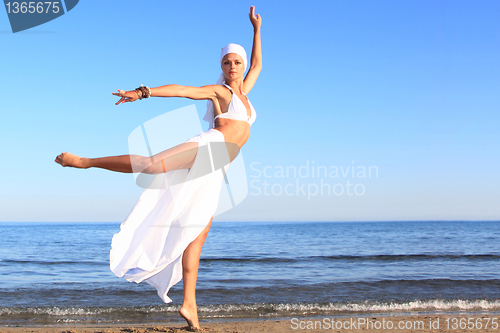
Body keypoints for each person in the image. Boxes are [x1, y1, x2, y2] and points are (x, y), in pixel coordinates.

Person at [54, 5, 262, 331]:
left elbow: (259, 63)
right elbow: (182, 90)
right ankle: (84, 162)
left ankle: (190, 305)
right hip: (209, 146)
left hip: (216, 168)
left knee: (197, 232)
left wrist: (256, 30)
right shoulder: (220, 92)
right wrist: (143, 92)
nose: (232, 67)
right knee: (151, 165)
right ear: (220, 67)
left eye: (237, 62)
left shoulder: (246, 93)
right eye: (226, 62)